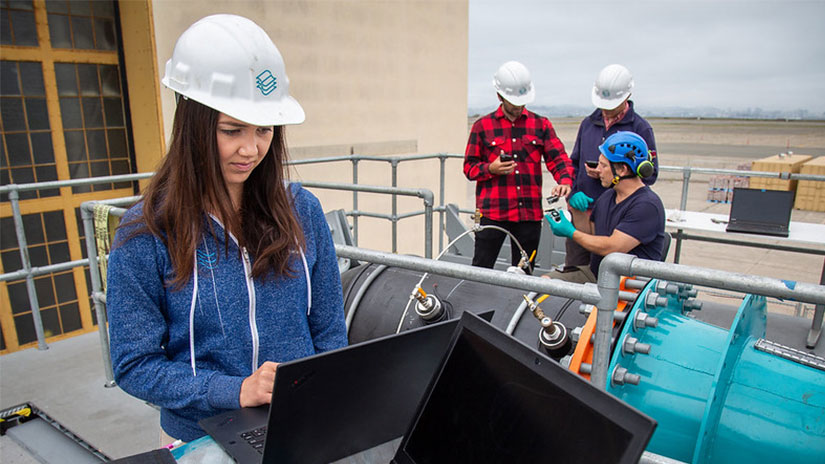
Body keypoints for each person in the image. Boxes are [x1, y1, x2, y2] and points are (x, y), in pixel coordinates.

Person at [106, 15, 348, 443]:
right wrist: (233, 390)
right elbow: (135, 365)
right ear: (191, 125)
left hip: (299, 426)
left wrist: (327, 406)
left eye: (264, 130)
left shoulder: (302, 212)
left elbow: (329, 332)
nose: (250, 149)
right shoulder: (146, 232)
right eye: (231, 130)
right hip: (200, 436)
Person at [463, 61, 573, 273]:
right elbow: (469, 168)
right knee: (481, 269)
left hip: (528, 216)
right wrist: (490, 169)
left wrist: (565, 180)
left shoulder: (541, 125)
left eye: (522, 101)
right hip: (492, 213)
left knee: (524, 272)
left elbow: (557, 157)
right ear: (500, 96)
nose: (519, 106)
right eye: (514, 102)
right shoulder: (482, 127)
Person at [565, 64, 658, 269]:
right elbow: (573, 164)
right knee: (575, 269)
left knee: (606, 271)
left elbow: (648, 173)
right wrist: (573, 194)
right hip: (586, 214)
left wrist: (607, 174)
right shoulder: (588, 124)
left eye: (612, 104)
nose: (606, 109)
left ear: (627, 96)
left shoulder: (640, 128)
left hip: (618, 223)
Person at [545, 131, 665, 282]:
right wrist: (578, 212)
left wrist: (571, 232)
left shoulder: (646, 206)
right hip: (597, 275)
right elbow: (594, 234)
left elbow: (612, 248)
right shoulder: (608, 196)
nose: (598, 170)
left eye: (603, 165)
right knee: (543, 284)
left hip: (627, 286)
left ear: (622, 170)